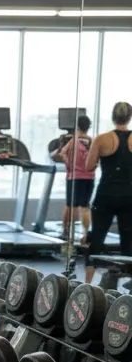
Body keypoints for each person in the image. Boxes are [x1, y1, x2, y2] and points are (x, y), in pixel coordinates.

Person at [84, 102, 132, 284]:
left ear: (113, 116)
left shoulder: (101, 139)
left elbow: (89, 166)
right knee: (128, 239)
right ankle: (129, 287)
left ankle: (87, 284)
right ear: (129, 117)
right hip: (129, 195)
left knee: (96, 237)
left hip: (106, 194)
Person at [52, 114, 94, 248]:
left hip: (74, 177)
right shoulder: (91, 141)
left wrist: (65, 160)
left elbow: (61, 153)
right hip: (89, 177)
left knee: (70, 205)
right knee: (85, 206)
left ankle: (66, 232)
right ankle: (86, 234)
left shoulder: (73, 141)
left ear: (77, 126)